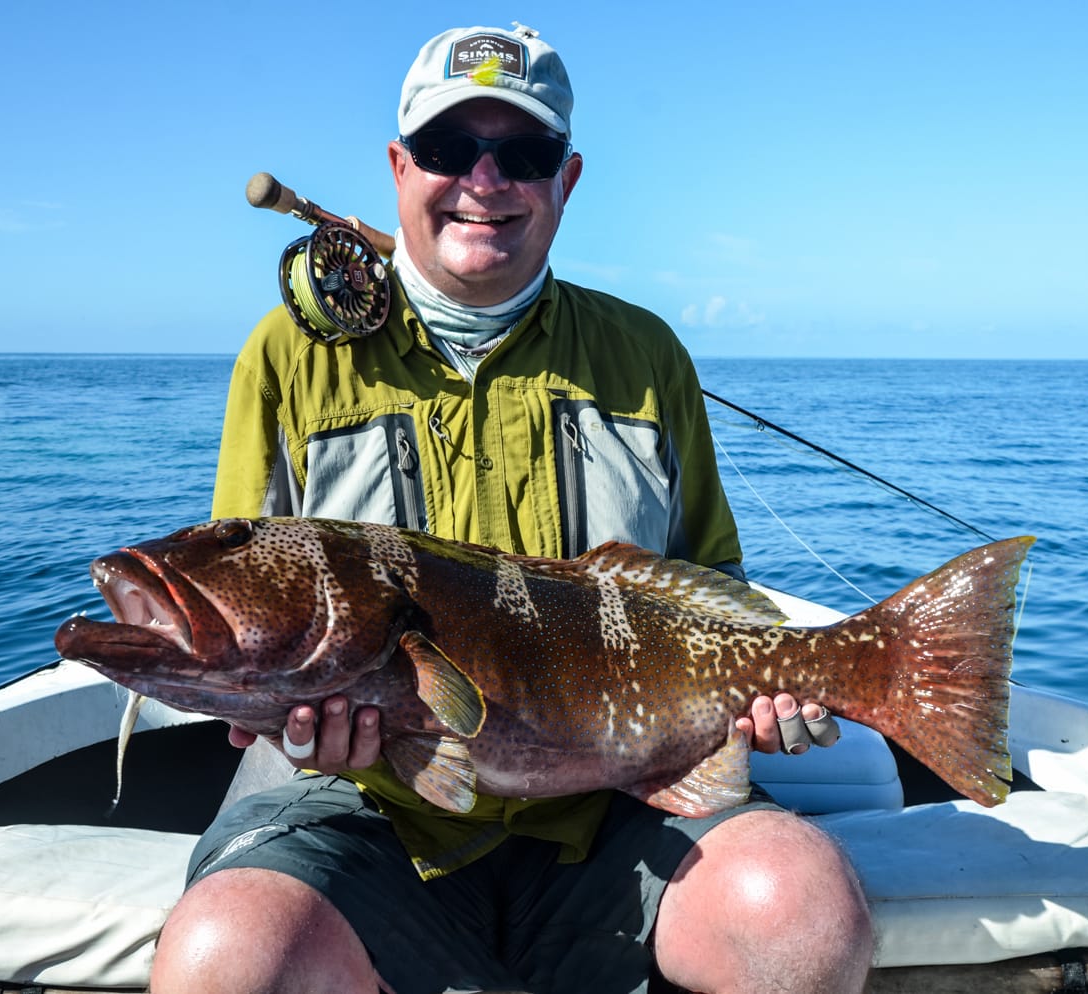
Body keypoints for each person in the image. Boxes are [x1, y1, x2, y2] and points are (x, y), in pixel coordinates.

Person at [151, 24, 872, 994]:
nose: (485, 181)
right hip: (355, 795)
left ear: (566, 179)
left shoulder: (646, 353)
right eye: (451, 151)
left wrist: (771, 695)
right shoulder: (286, 357)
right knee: (226, 958)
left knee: (799, 915)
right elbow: (246, 623)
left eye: (522, 155)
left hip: (621, 792)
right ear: (400, 167)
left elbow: (716, 584)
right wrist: (286, 717)